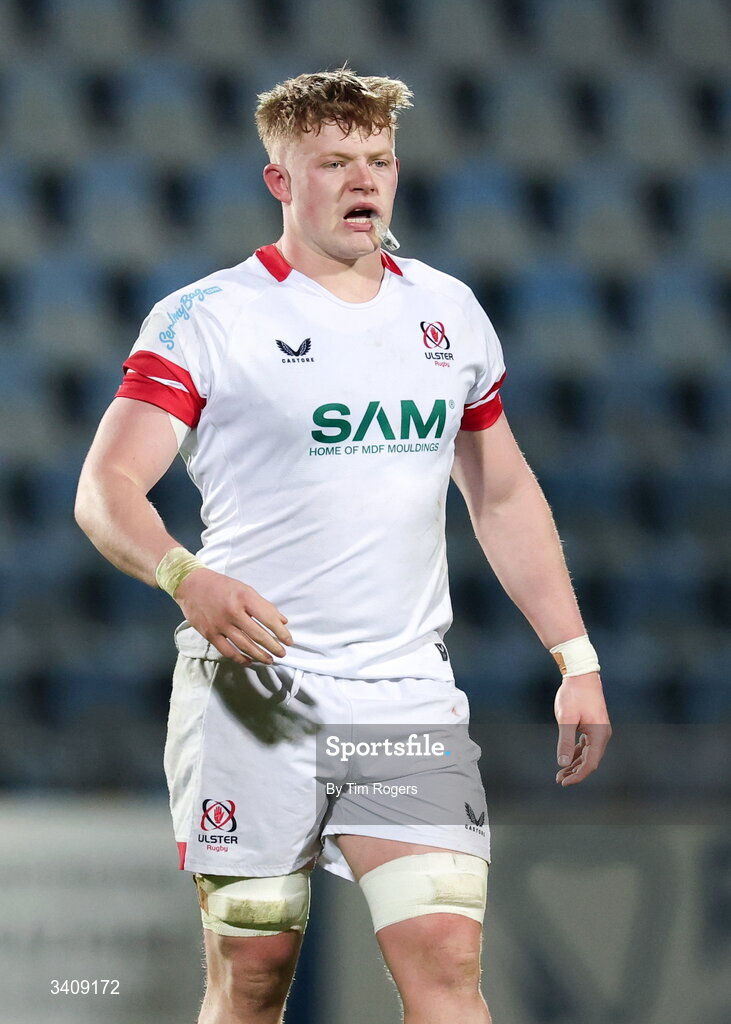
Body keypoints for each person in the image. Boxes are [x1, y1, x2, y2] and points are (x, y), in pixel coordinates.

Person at [75, 68, 611, 1024]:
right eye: (334, 162)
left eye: (379, 160)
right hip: (256, 693)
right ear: (281, 180)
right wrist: (182, 576)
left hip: (402, 690)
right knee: (251, 980)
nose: (364, 179)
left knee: (447, 968)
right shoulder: (208, 317)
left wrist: (574, 658)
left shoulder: (445, 312)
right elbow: (106, 490)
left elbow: (502, 490)